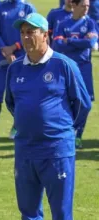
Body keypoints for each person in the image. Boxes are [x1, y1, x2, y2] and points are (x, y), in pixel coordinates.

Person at [7, 13, 91, 220]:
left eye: (32, 31)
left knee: (61, 212)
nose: (27, 36)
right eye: (23, 32)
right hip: (25, 150)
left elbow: (83, 104)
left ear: (46, 34)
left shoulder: (64, 65)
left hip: (57, 151)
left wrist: (62, 131)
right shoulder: (15, 68)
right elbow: (12, 103)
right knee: (29, 209)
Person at [0, 0, 35, 143]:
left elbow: (32, 32)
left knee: (19, 93)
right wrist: (4, 49)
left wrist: (15, 47)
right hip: (2, 57)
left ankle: (17, 127)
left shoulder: (28, 8)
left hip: (21, 57)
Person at [53, 0, 96, 148]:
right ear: (74, 6)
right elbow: (57, 44)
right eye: (83, 5)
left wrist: (69, 40)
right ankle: (67, 133)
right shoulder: (63, 23)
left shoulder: (90, 23)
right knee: (65, 101)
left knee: (86, 104)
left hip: (84, 68)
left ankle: (78, 133)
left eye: (88, 6)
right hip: (67, 68)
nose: (86, 9)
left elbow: (91, 43)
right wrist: (81, 41)